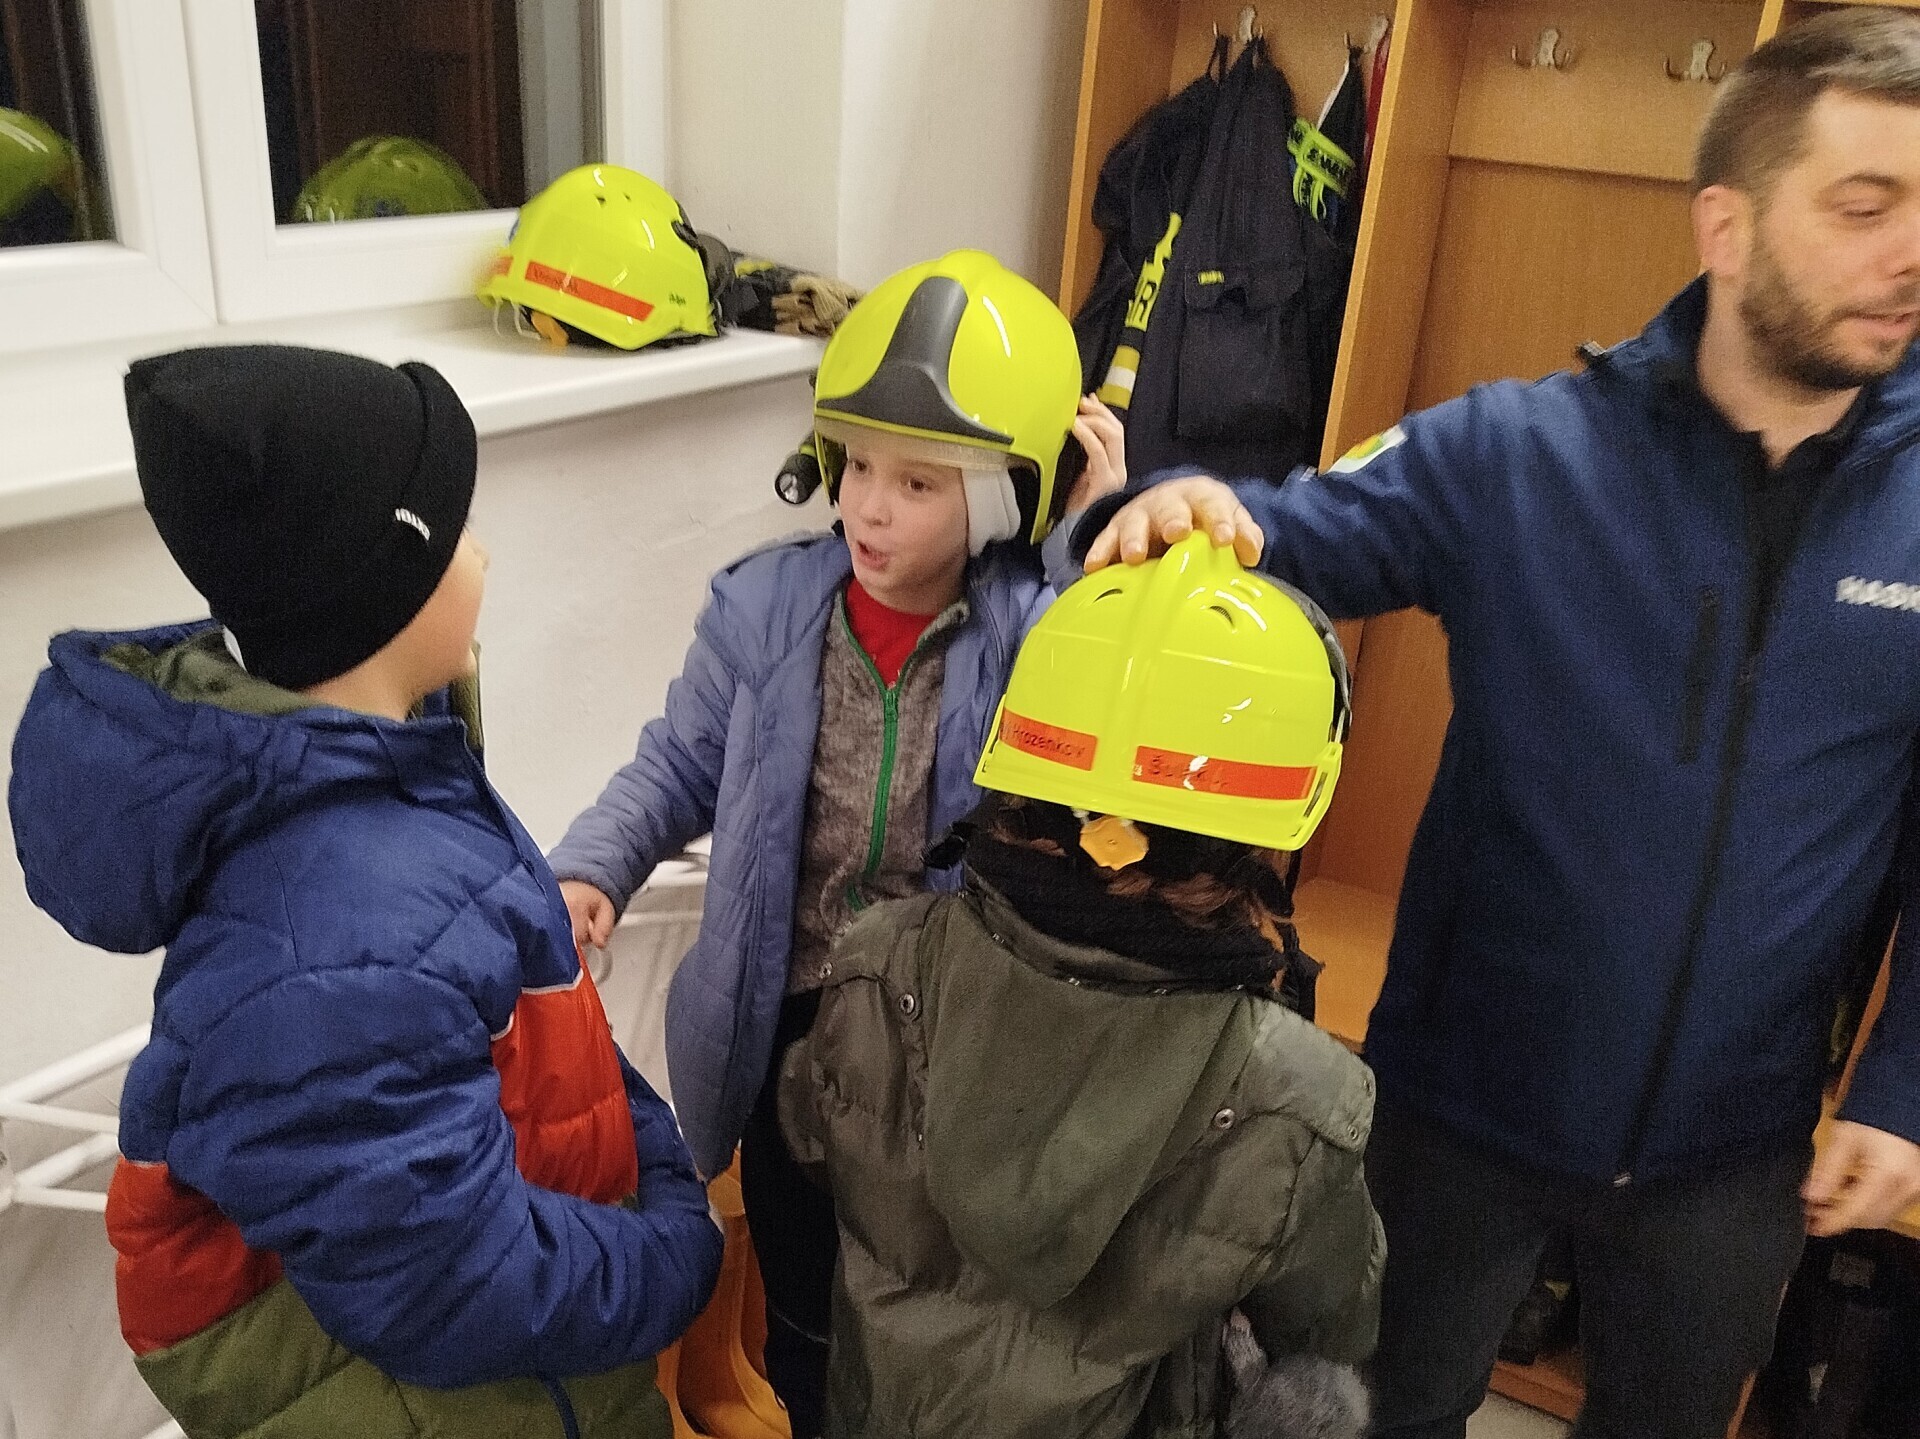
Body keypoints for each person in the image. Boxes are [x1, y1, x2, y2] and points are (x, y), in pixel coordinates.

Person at [1073, 11, 1920, 1438]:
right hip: (1457, 1110)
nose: (1910, 254)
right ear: (1726, 226)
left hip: (1738, 1149)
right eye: (1865, 205)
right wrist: (1170, 505)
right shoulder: (1522, 454)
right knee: (1386, 1410)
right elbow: (1273, 533)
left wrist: (1904, 1084)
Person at [7, 345, 722, 1438]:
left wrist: (648, 1154)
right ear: (387, 579)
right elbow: (454, 1281)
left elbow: (536, 1021)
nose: (483, 551)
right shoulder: (343, 939)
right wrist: (670, 1252)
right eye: (458, 529)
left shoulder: (401, 782)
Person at [546, 249, 1126, 1436]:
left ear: (1005, 495)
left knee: (930, 1306)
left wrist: (1091, 537)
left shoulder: (1034, 628)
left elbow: (1098, 711)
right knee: (806, 1311)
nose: (870, 505)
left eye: (918, 482)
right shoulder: (762, 612)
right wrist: (593, 863)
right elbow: (675, 762)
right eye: (857, 464)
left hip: (946, 1053)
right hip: (787, 1038)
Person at [776, 533, 1382, 1439]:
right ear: (1268, 831)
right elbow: (1334, 1322)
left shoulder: (877, 957)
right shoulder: (1298, 1098)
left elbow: (811, 1135)